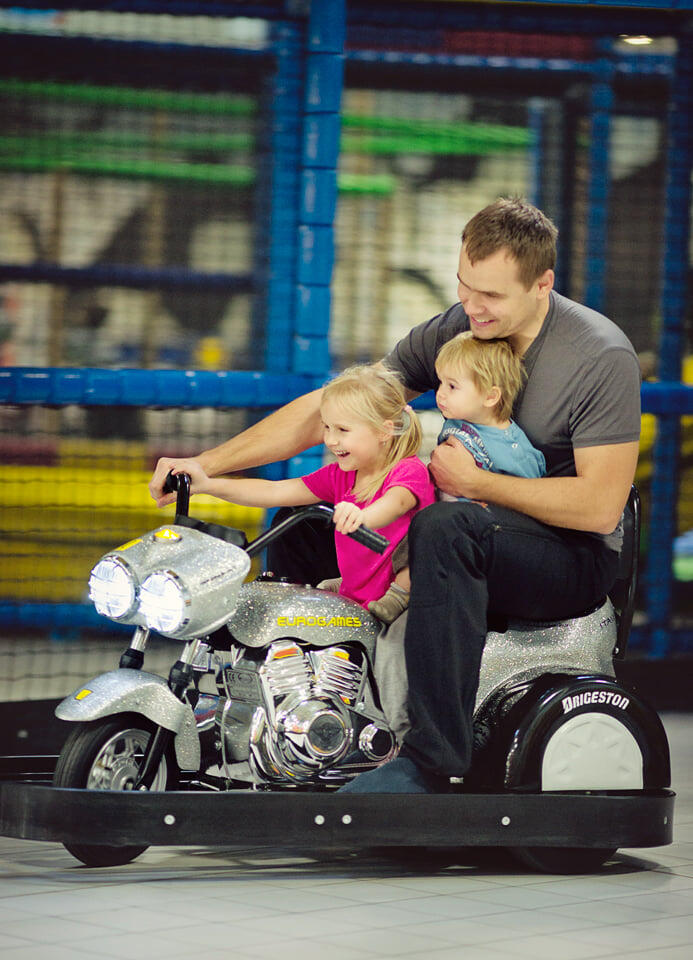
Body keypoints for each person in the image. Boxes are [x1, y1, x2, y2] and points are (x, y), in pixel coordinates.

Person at [150, 197, 641, 794]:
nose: (472, 306)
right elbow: (345, 407)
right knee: (310, 516)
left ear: (543, 284)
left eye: (491, 295)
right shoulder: (460, 329)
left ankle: (431, 762)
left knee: (445, 528)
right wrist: (204, 465)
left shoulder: (598, 356)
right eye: (464, 285)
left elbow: (600, 508)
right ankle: (301, 717)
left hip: (567, 556)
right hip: (471, 523)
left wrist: (477, 484)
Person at [154, 363, 435, 616]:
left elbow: (395, 503)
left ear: (384, 431)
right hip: (355, 600)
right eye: (327, 427)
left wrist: (363, 518)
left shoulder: (408, 470)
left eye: (343, 430)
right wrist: (207, 485)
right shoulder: (340, 476)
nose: (330, 440)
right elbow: (275, 492)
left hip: (398, 609)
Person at [367, 330, 545, 622]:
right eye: (440, 383)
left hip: (467, 532)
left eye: (452, 386)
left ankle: (398, 595)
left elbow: (527, 501)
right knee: (394, 521)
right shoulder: (460, 422)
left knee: (423, 536)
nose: (440, 393)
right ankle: (363, 579)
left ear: (490, 396)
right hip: (440, 513)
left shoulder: (512, 449)